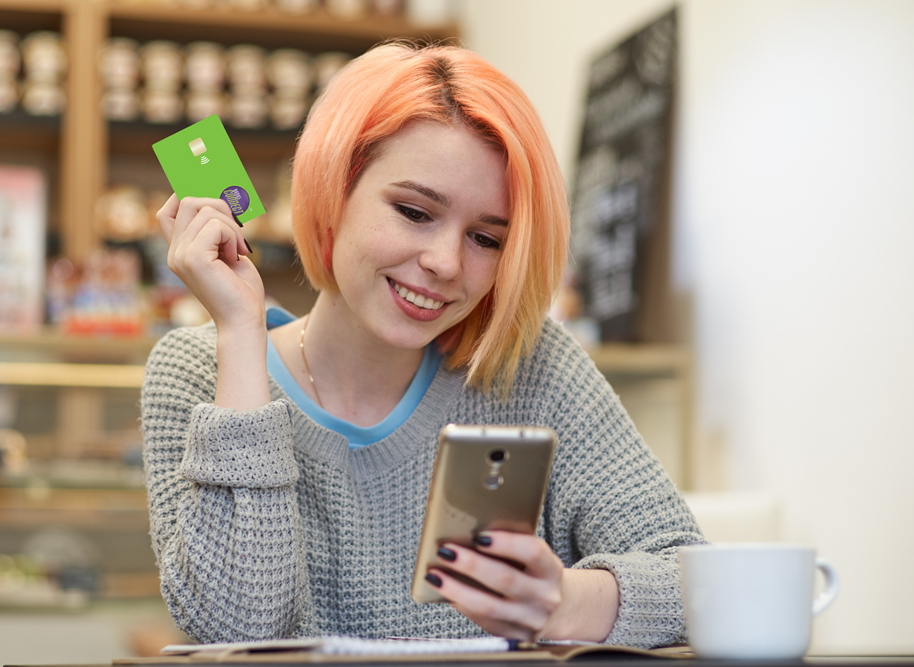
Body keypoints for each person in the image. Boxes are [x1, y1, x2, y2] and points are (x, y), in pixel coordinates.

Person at [140, 41, 705, 649]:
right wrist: (240, 333)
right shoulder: (197, 370)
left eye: (487, 240)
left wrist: (564, 603)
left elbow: (697, 584)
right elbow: (238, 633)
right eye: (414, 211)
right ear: (336, 190)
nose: (444, 263)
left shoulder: (530, 364)